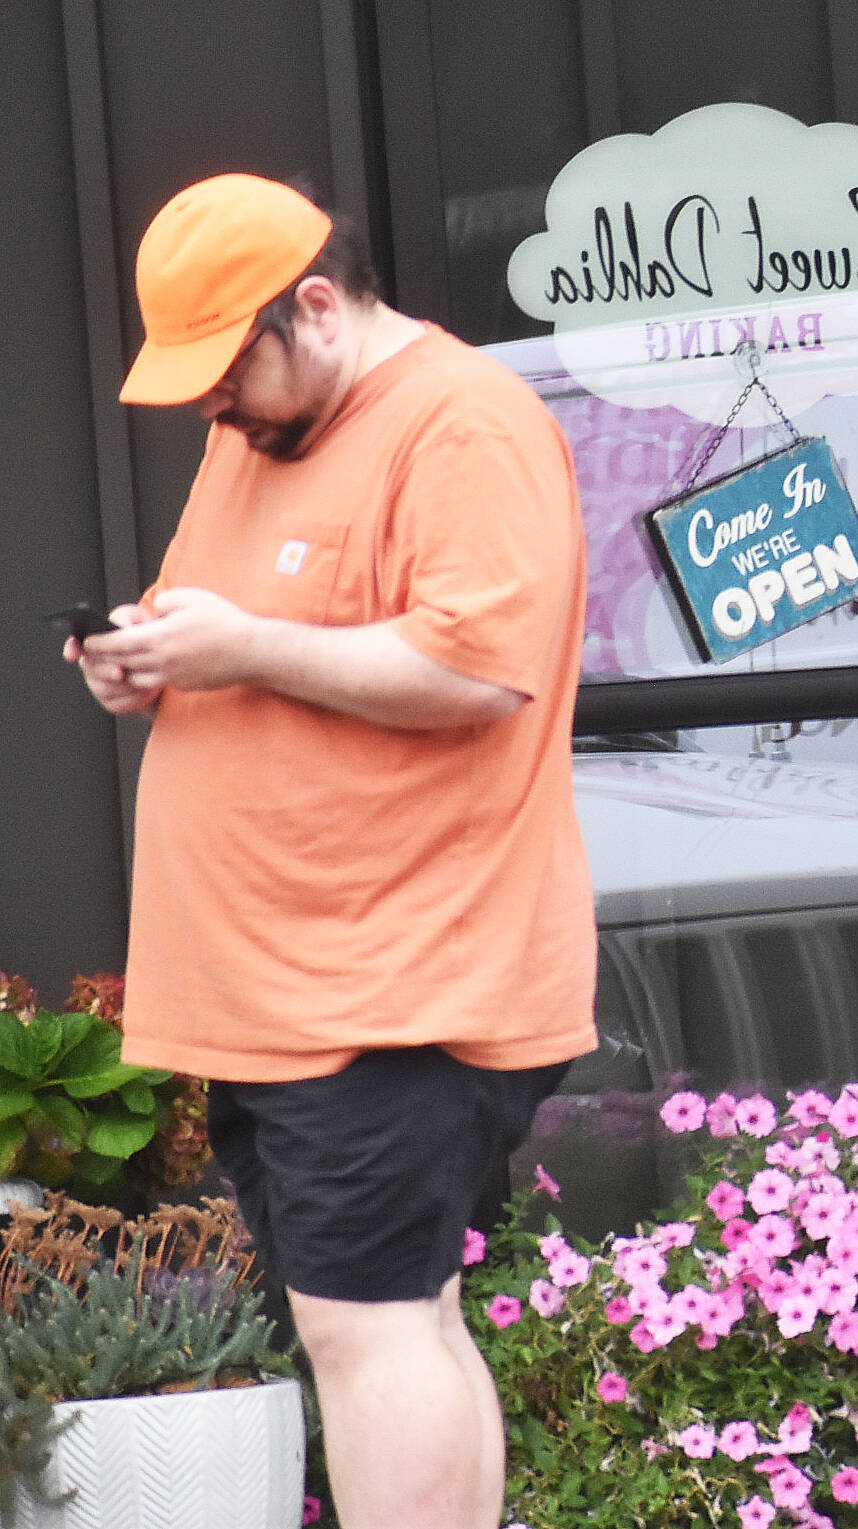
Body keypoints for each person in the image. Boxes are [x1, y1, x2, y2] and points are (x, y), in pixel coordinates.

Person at [69, 173, 597, 1529]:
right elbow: (232, 632)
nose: (213, 410)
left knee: (370, 1331)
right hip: (294, 987)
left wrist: (242, 647)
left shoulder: (463, 421)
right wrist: (150, 662)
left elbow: (478, 671)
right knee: (399, 1319)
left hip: (393, 980)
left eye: (224, 374)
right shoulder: (263, 431)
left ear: (313, 306)